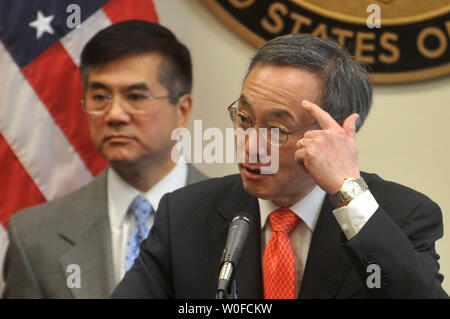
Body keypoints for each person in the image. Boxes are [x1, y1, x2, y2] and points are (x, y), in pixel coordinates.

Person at [111, 34, 447, 299]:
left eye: (276, 130)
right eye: (244, 120)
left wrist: (348, 193)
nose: (251, 145)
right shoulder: (184, 215)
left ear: (334, 135)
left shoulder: (403, 216)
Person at [3, 20, 207, 299]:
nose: (114, 115)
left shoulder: (243, 217)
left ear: (182, 110)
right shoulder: (33, 237)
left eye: (135, 96)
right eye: (100, 97)